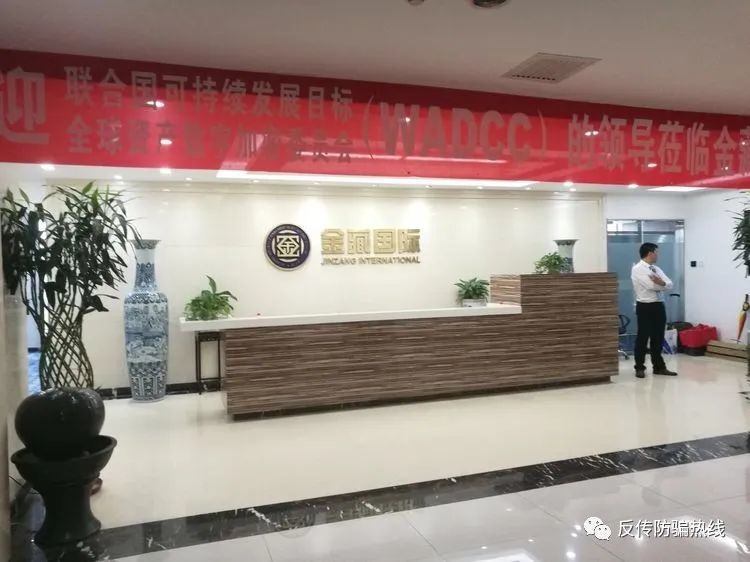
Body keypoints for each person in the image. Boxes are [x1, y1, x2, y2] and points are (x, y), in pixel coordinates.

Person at [631, 242, 677, 378]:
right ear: (650, 253)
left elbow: (670, 284)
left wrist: (661, 282)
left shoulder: (656, 269)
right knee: (643, 337)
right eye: (656, 252)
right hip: (645, 306)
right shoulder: (638, 268)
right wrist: (662, 285)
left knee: (658, 337)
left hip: (658, 305)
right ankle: (639, 367)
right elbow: (651, 286)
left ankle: (659, 367)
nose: (658, 255)